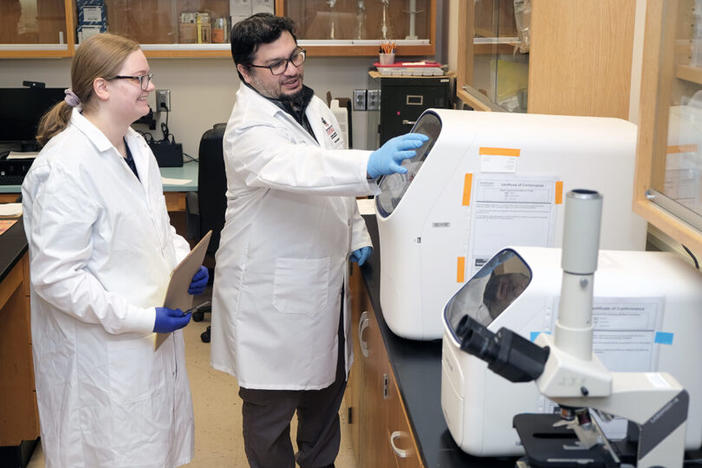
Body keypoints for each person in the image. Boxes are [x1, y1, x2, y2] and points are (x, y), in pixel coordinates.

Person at [210, 13, 428, 468]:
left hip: (323, 279)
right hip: (271, 296)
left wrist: (354, 232)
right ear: (245, 72)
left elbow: (333, 180)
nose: (291, 69)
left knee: (325, 400)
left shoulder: (311, 106)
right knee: (271, 415)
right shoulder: (248, 130)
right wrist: (370, 163)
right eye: (275, 64)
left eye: (295, 56)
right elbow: (303, 170)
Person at [21, 33, 208, 468]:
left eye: (149, 76)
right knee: (112, 453)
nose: (150, 86)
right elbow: (57, 280)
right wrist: (142, 318)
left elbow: (157, 228)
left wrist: (183, 262)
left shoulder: (136, 146)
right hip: (101, 353)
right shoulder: (64, 166)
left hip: (148, 341)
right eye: (139, 78)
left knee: (152, 447)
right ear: (102, 88)